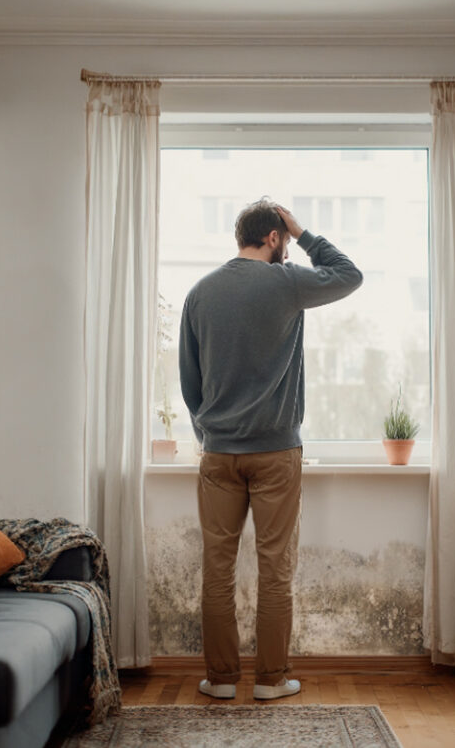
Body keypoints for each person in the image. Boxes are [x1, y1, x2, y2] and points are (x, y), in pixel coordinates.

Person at [178, 198, 363, 700]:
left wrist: (210, 434)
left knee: (217, 568)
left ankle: (219, 681)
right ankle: (271, 680)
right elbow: (349, 274)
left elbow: (189, 384)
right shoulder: (287, 282)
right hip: (277, 453)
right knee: (275, 569)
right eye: (285, 236)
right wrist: (305, 234)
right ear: (275, 237)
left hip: (218, 454)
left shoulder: (200, 293)